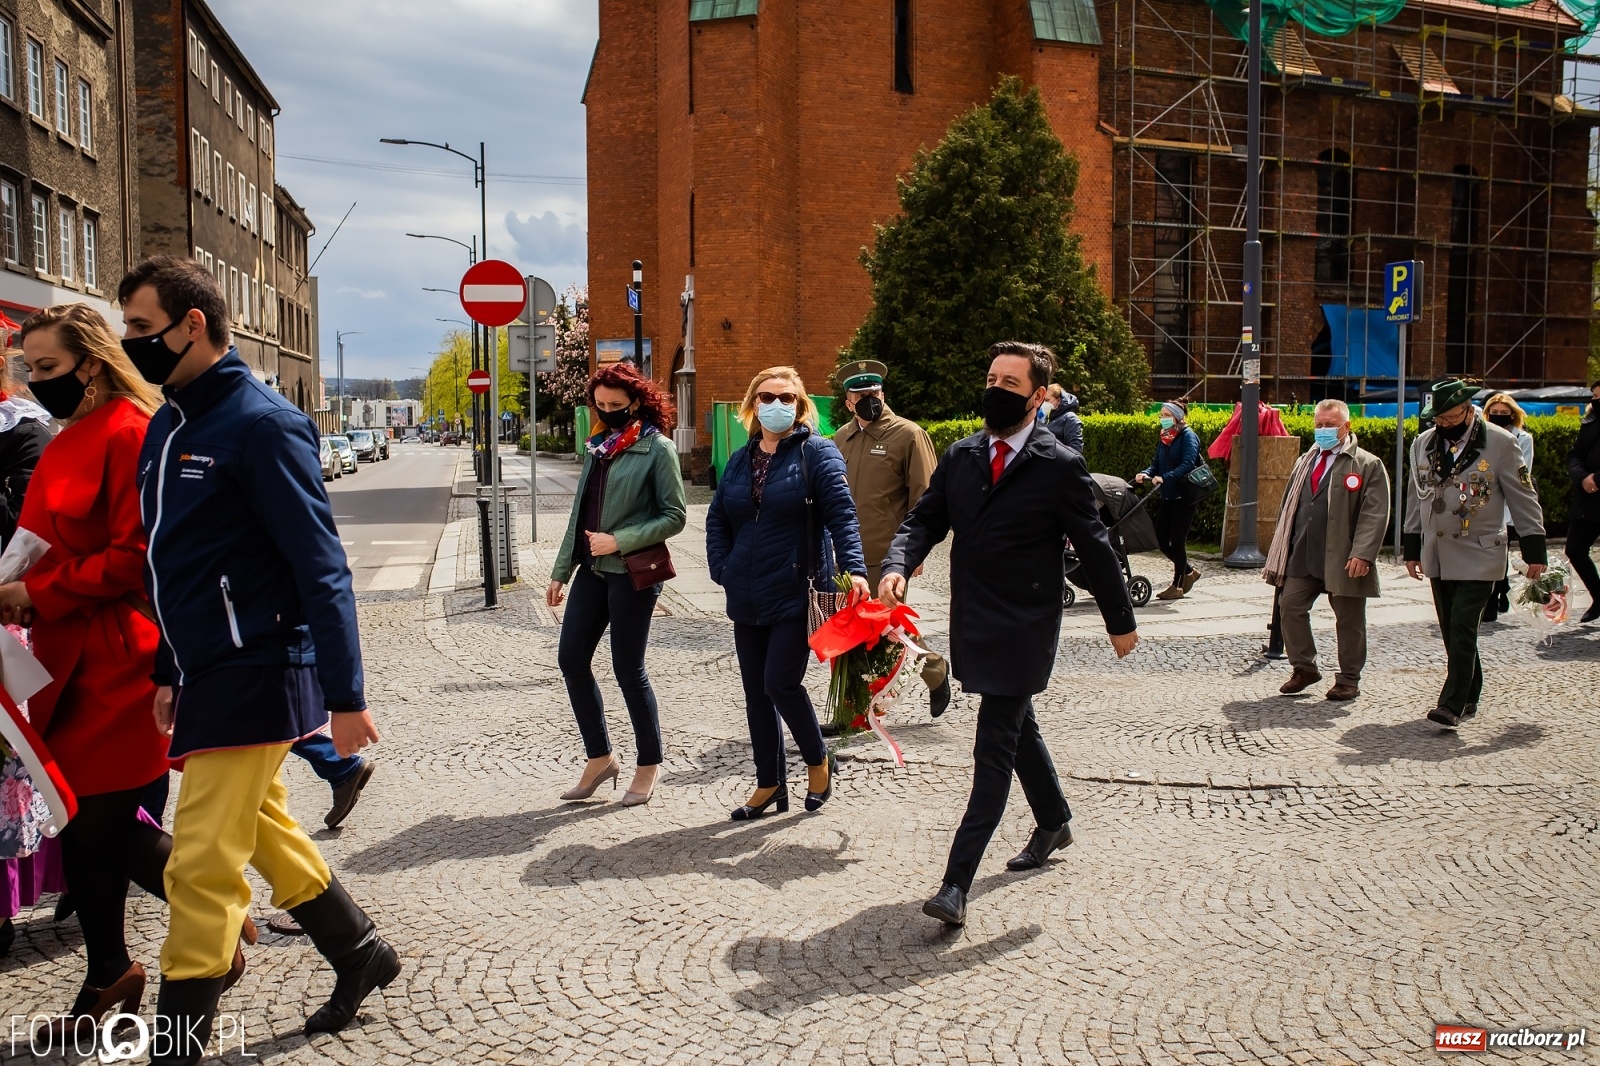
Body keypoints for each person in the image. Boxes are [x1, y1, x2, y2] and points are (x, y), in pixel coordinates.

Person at [118, 256, 398, 1062]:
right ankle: (360, 951)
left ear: (192, 324)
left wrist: (346, 694)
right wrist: (170, 668)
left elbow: (321, 566)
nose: (132, 343)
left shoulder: (263, 422)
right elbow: (175, 562)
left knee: (202, 857)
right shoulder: (170, 424)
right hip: (207, 666)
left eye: (142, 328)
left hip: (263, 666)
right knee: (267, 825)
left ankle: (177, 1044)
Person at [880, 342, 1138, 927]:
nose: (995, 389)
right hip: (974, 618)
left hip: (1025, 622)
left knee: (993, 742)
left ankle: (955, 884)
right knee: (1019, 728)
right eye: (990, 376)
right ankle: (1053, 821)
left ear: (1038, 396)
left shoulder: (1057, 463)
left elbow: (1095, 546)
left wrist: (1119, 619)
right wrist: (898, 564)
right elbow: (925, 517)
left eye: (1010, 383)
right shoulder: (964, 454)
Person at [0, 305, 199, 1042]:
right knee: (80, 828)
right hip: (61, 657)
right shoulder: (67, 435)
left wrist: (30, 591)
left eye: (48, 368)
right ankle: (110, 970)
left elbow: (134, 555)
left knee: (99, 824)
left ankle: (216, 916)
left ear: (89, 362)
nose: (36, 381)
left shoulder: (131, 431)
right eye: (30, 369)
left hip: (118, 659)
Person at [707, 366, 867, 821]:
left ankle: (818, 760)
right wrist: (724, 568)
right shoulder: (740, 459)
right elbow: (717, 518)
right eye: (766, 396)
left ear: (800, 406)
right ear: (752, 404)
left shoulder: (818, 453)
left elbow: (843, 516)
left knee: (780, 682)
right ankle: (769, 784)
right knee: (756, 694)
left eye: (786, 397)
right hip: (746, 592)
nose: (776, 404)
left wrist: (855, 569)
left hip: (798, 589)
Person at [548, 362, 687, 807]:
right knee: (571, 659)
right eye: (601, 405)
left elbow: (675, 516)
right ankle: (600, 757)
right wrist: (559, 570)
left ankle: (649, 762)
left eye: (617, 406)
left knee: (629, 670)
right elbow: (580, 514)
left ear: (636, 403)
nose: (608, 412)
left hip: (632, 573)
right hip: (591, 570)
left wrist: (619, 540)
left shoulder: (657, 449)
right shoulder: (597, 448)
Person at [1404, 379, 1546, 729]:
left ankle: (1450, 704)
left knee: (1464, 625)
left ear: (1469, 410)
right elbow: (1415, 495)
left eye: (1451, 419)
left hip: (1481, 551)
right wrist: (1411, 546)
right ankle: (1470, 695)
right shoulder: (1423, 444)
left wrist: (1534, 548)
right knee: (1454, 630)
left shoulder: (1500, 443)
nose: (1445, 426)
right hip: (1438, 551)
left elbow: (1524, 497)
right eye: (1439, 419)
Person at [828, 359, 950, 723]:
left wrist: (914, 551)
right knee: (849, 634)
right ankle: (851, 715)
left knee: (886, 633)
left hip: (887, 556)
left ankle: (933, 671)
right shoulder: (840, 439)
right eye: (860, 394)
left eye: (874, 392)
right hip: (846, 555)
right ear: (848, 401)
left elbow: (927, 498)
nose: (869, 399)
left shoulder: (907, 435)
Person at [1263, 399, 1390, 701]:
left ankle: (1348, 678)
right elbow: (1290, 508)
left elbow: (1375, 514)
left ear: (1346, 427)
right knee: (1290, 607)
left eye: (1330, 425)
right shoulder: (1304, 461)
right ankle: (1304, 667)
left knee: (1349, 620)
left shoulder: (1367, 464)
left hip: (1345, 557)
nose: (1323, 430)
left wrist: (1363, 553)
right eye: (1319, 425)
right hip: (1304, 553)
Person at [1135, 400, 1203, 600]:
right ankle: (1189, 571)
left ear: (1177, 417)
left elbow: (1188, 464)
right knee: (1161, 539)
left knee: (1178, 540)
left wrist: (1166, 477)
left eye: (1165, 415)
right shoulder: (1166, 437)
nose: (1162, 419)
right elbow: (1156, 464)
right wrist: (1145, 473)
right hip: (1168, 494)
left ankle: (1178, 585)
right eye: (1161, 415)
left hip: (1184, 495)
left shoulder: (1189, 436)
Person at [1481, 392, 1534, 623]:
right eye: (1495, 413)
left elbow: (1524, 471)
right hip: (1484, 502)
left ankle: (1496, 596)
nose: (1499, 416)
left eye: (1504, 413)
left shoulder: (1523, 438)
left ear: (1512, 414)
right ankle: (1499, 590)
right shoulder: (1482, 435)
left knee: (1500, 551)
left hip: (1508, 505)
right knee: (1489, 554)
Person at [1565, 382, 1600, 623]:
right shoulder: (1590, 423)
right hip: (1589, 501)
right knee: (1575, 550)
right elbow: (1575, 455)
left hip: (1596, 487)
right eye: (1594, 397)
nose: (1595, 401)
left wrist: (1597, 478)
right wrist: (1583, 477)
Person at [1041, 382, 1084, 453]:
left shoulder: (1070, 418)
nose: (1043, 404)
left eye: (1047, 400)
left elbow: (1076, 449)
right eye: (1042, 401)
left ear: (1058, 401)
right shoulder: (1046, 419)